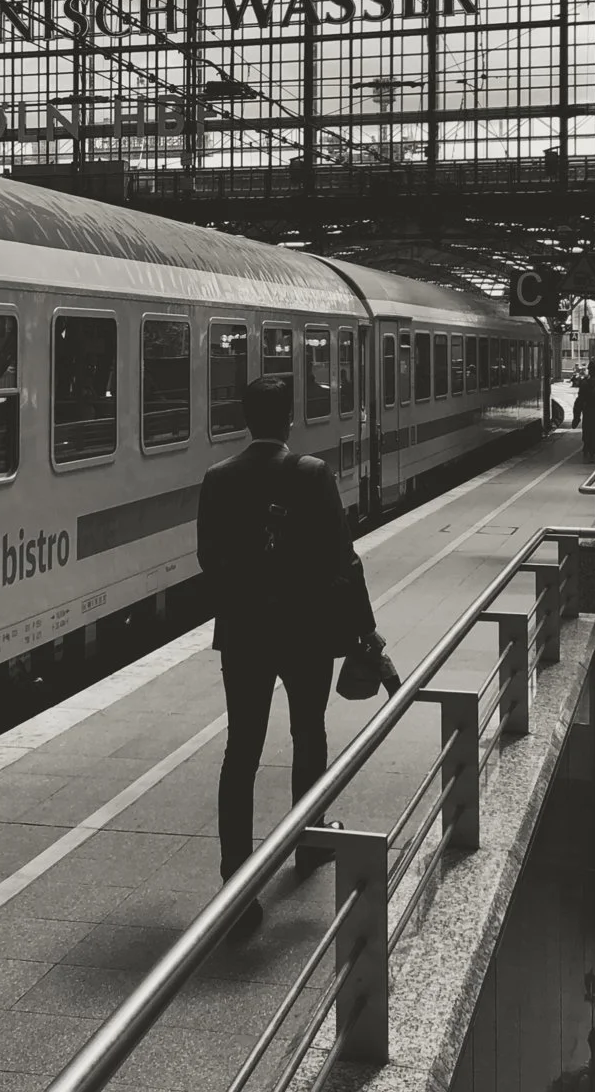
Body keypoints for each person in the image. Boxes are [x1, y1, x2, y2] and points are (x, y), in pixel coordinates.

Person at [196, 375, 368, 941]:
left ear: (246, 419)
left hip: (243, 634)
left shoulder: (218, 480)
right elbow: (342, 557)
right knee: (308, 734)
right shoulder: (312, 475)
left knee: (240, 750)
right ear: (289, 419)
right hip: (305, 631)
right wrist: (361, 632)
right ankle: (309, 839)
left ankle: (234, 880)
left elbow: (208, 559)